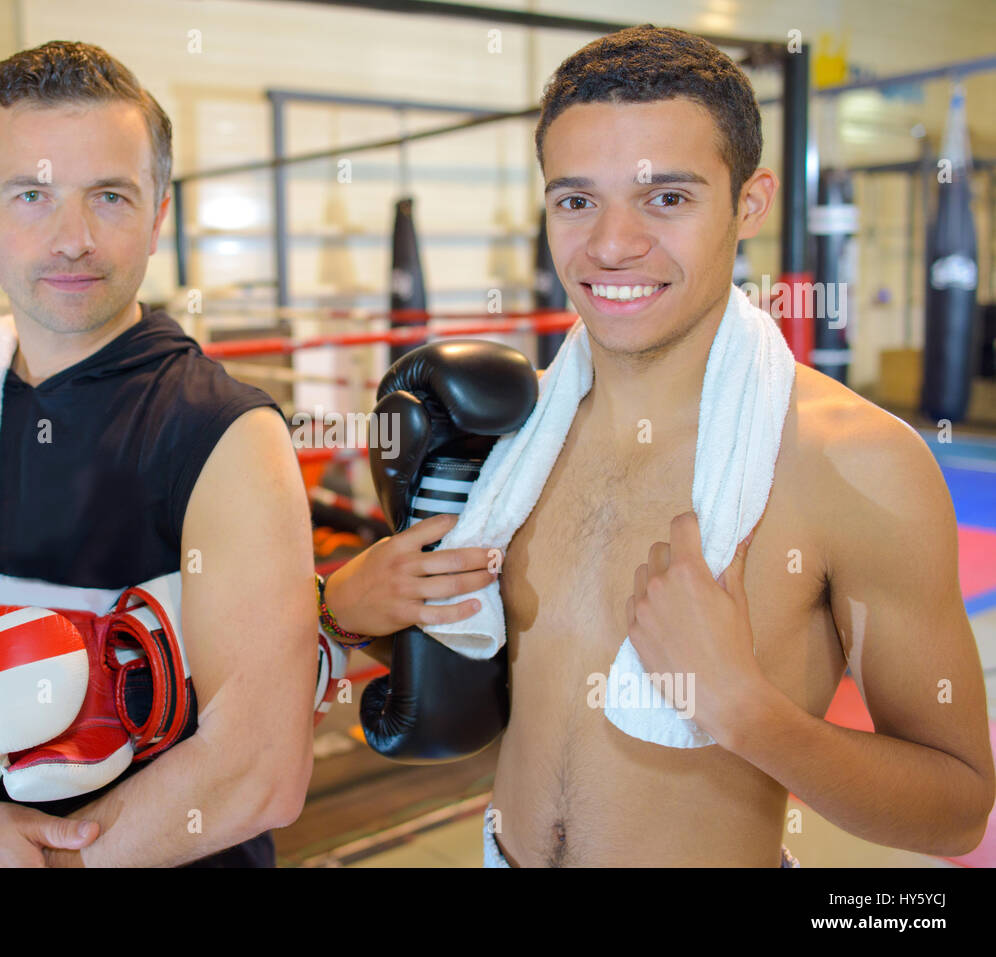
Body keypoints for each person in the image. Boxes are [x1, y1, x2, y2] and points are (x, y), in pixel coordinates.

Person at [324, 25, 995, 866]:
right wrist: (344, 609)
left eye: (666, 198)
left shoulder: (854, 464)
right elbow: (519, 668)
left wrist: (745, 708)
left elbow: (957, 808)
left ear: (750, 202)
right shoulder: (515, 434)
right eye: (576, 200)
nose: (610, 245)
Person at [0, 41, 316, 867]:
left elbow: (258, 769)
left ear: (158, 214)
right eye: (32, 195)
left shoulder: (224, 433)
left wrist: (29, 861)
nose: (72, 238)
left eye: (110, 196)